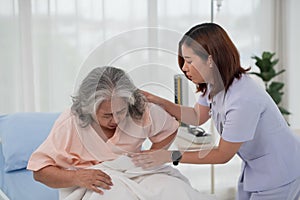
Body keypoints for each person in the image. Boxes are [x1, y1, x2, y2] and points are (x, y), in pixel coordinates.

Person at [131, 23, 300, 200]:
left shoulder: (243, 98)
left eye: (189, 61)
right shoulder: (214, 83)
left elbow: (222, 154)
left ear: (210, 60)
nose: (184, 68)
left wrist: (168, 156)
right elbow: (196, 117)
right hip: (256, 168)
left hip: (280, 171)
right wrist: (159, 101)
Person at [27, 66, 214, 200]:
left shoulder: (141, 110)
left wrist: (153, 154)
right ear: (88, 109)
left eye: (121, 112)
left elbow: (168, 129)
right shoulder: (70, 123)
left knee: (174, 189)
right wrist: (78, 177)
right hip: (94, 181)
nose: (116, 120)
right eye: (107, 115)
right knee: (112, 194)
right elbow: (40, 171)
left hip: (136, 172)